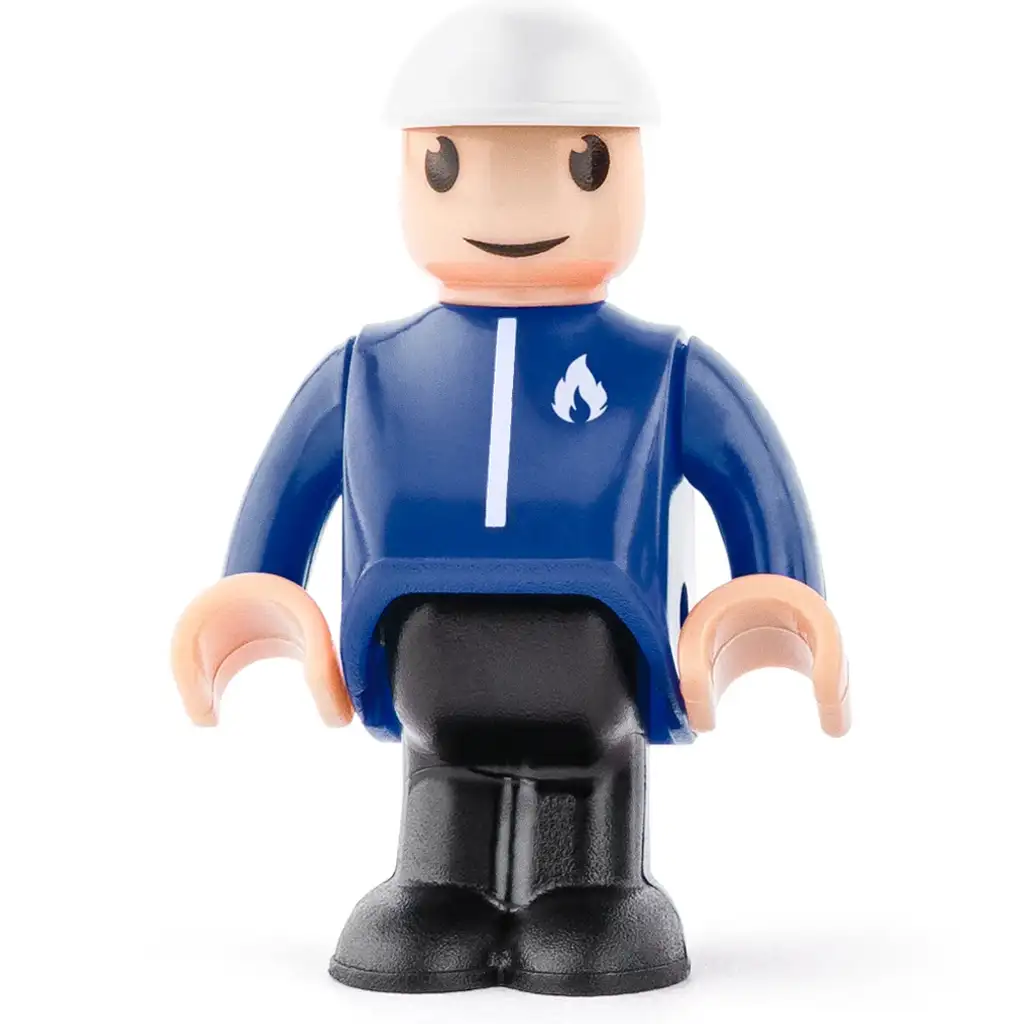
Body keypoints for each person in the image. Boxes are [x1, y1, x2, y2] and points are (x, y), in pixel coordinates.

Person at [171, 3, 849, 996]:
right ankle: (436, 885)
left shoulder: (661, 370)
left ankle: (595, 887)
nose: (509, 203)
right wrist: (256, 588)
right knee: (442, 786)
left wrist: (775, 593)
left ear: (626, 169)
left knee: (588, 810)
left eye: (581, 165)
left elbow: (750, 473)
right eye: (450, 165)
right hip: (427, 666)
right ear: (413, 169)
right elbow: (291, 484)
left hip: (598, 669)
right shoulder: (370, 370)